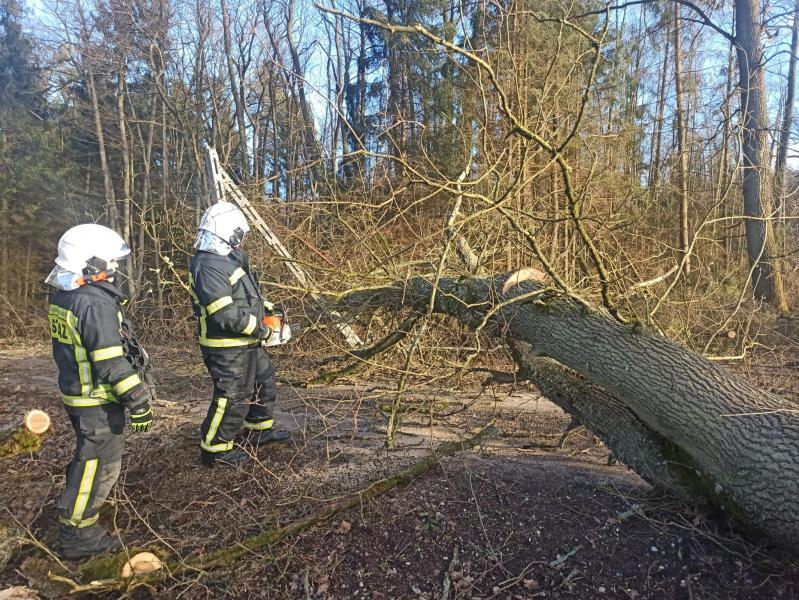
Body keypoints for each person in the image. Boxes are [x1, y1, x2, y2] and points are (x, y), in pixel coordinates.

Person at [45, 224, 154, 560]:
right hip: (97, 400)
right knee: (96, 464)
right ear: (90, 263)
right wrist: (138, 400)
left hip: (79, 394)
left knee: (87, 458)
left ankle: (75, 517)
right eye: (110, 261)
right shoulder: (93, 303)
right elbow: (110, 362)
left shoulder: (67, 295)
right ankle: (77, 532)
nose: (115, 267)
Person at [189, 201, 290, 466]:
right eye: (239, 234)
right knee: (232, 396)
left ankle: (259, 431)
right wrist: (263, 330)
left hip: (246, 341)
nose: (241, 239)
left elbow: (247, 294)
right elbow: (224, 314)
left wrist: (268, 309)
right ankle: (215, 450)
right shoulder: (208, 266)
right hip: (226, 346)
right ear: (228, 232)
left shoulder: (227, 259)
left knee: (263, 380)